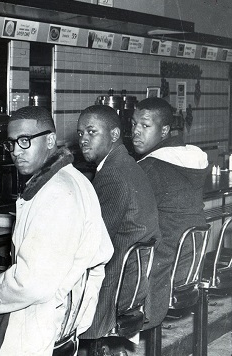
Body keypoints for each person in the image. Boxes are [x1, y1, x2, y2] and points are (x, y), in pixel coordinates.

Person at [0, 106, 113, 356]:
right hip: (65, 317)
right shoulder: (75, 179)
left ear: (50, 139)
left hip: (38, 323)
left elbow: (31, 285)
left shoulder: (55, 193)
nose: (16, 152)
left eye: (25, 141)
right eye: (11, 144)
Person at [76, 105, 161, 352]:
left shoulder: (113, 174)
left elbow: (94, 241)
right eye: (81, 133)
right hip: (132, 280)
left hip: (115, 287)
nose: (83, 139)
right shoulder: (126, 164)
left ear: (114, 135)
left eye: (92, 132)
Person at [130, 97, 209, 330]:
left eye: (145, 126)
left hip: (162, 272)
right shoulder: (186, 159)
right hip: (189, 263)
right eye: (134, 124)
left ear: (164, 130)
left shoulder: (150, 167)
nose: (136, 132)